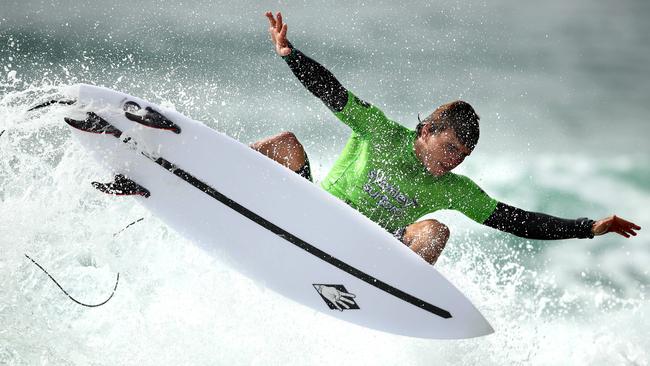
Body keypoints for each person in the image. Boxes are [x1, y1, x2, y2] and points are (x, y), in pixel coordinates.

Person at [252, 11, 641, 265]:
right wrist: (290, 54)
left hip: (367, 251)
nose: (454, 161)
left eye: (463, 156)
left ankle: (395, 291)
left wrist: (586, 227)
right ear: (427, 130)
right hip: (315, 213)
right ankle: (198, 165)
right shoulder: (380, 131)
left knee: (436, 230)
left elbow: (517, 220)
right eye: (451, 148)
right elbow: (331, 91)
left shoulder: (455, 190)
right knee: (285, 143)